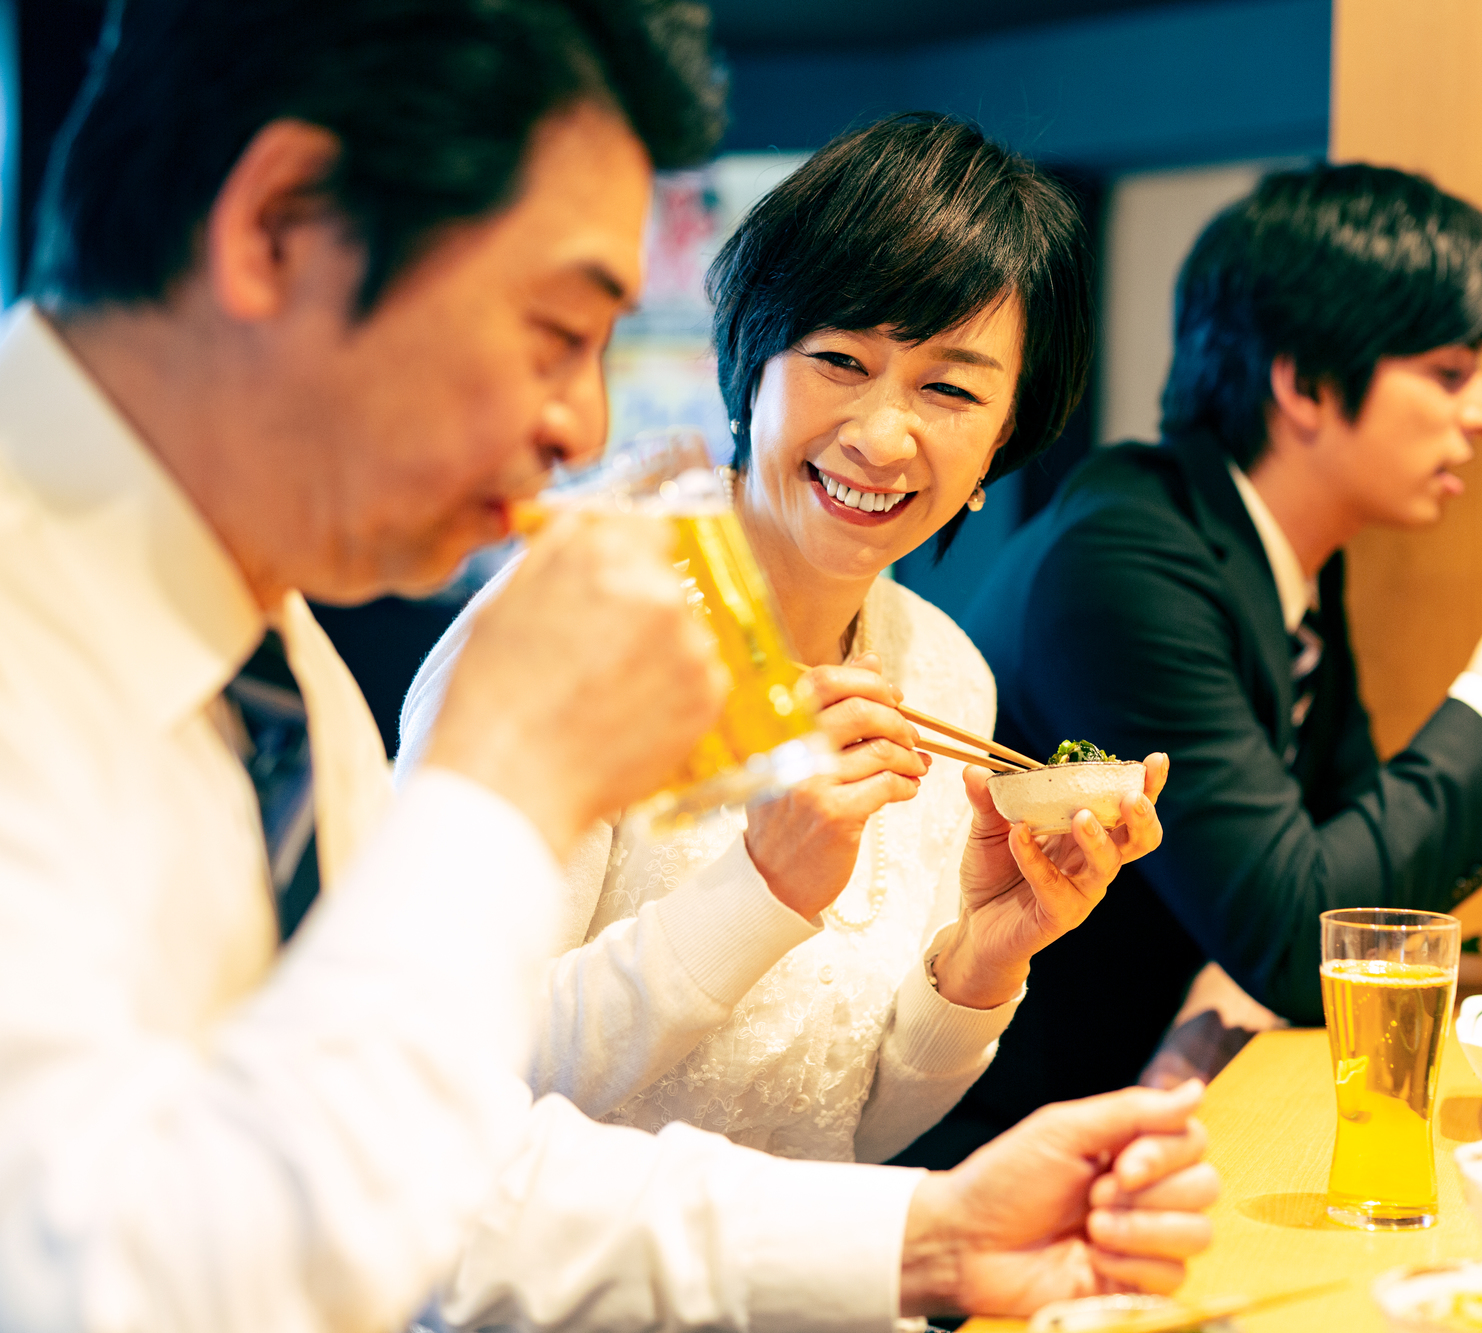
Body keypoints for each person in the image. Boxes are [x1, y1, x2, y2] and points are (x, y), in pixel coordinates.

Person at [0, 3, 1217, 1328]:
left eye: (948, 389)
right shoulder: (517, 653)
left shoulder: (280, 676)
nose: (582, 419)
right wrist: (504, 785)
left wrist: (927, 1237)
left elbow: (432, 1176)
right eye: (552, 325)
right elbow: (113, 1277)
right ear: (280, 228)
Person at [398, 111, 1170, 1164]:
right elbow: (440, 1087)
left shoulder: (942, 675)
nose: (880, 435)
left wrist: (985, 959)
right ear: (752, 360)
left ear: (1004, 438)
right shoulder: (571, 627)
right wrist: (758, 883)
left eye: (949, 388)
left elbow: (845, 1129)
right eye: (840, 359)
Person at [898, 163, 1482, 1167]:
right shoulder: (1123, 557)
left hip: (1157, 1109)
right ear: (1299, 381)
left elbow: (1355, 881)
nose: (1481, 410)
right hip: (991, 1145)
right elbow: (1304, 936)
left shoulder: (1284, 561)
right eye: (1446, 370)